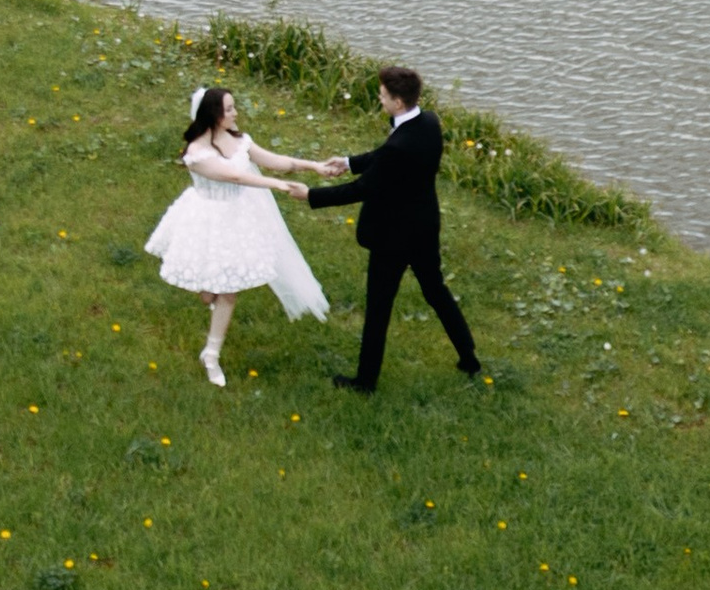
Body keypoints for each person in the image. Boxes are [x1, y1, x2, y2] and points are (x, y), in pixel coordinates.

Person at [306, 62, 482, 393]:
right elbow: (384, 155)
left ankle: (365, 381)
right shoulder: (427, 121)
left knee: (378, 308)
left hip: (393, 238)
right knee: (436, 292)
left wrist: (311, 195)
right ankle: (468, 357)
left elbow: (362, 189)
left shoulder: (400, 147)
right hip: (424, 227)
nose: (380, 98)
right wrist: (348, 162)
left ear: (398, 102)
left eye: (383, 95)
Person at [144, 85, 329, 385]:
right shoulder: (197, 153)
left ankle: (211, 354)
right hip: (207, 219)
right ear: (213, 114)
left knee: (228, 290)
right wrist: (277, 186)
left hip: (237, 219)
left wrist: (313, 166)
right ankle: (209, 293)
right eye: (229, 109)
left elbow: (275, 160)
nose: (236, 113)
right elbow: (234, 176)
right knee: (211, 291)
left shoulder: (238, 140)